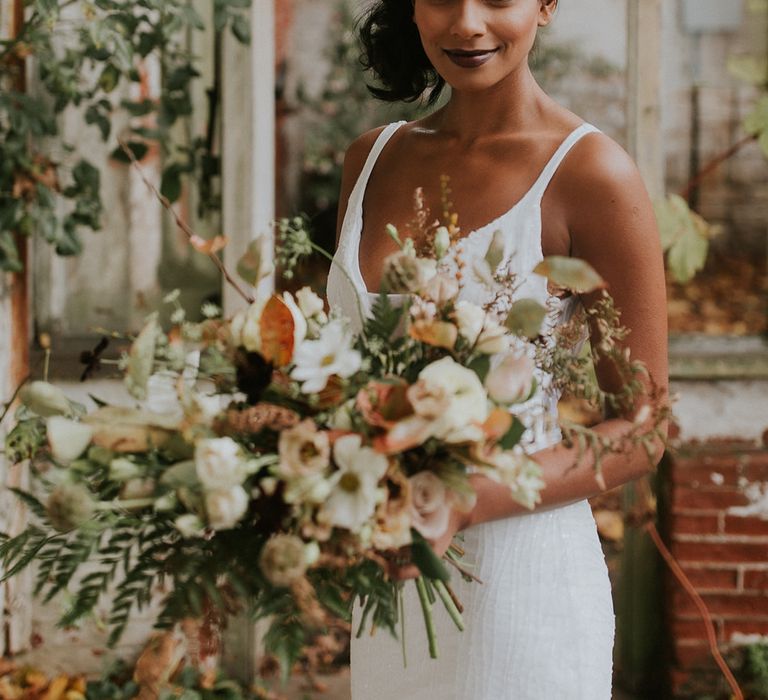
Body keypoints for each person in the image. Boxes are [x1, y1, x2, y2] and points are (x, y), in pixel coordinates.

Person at [325, 0, 669, 697]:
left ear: (545, 5)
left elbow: (644, 427)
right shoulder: (372, 158)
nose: (467, 24)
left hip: (519, 582)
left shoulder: (592, 174)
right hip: (391, 583)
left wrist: (464, 500)